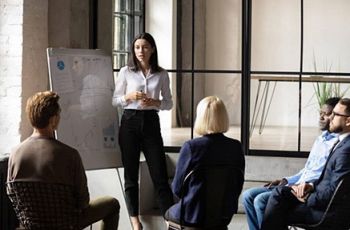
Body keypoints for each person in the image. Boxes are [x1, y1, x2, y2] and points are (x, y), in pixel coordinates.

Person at [7, 91, 120, 229]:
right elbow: (83, 202)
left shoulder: (15, 154)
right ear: (53, 120)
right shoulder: (70, 155)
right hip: (66, 224)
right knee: (112, 204)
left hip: (31, 225)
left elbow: (13, 196)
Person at [242, 97, 340, 230]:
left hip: (305, 190)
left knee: (260, 201)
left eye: (326, 114)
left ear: (335, 117)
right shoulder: (320, 140)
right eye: (320, 113)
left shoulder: (336, 145)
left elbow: (323, 178)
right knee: (247, 196)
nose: (321, 117)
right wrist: (286, 179)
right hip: (294, 184)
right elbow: (306, 170)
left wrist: (303, 186)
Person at [112, 32, 174, 230]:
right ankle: (135, 220)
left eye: (145, 47)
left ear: (152, 49)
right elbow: (114, 100)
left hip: (151, 122)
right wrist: (128, 97)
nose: (141, 51)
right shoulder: (125, 72)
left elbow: (169, 103)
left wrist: (155, 102)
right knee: (130, 176)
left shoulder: (162, 74)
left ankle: (169, 220)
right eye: (137, 47)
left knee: (159, 174)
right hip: (129, 122)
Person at [164, 96, 245, 227]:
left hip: (192, 215)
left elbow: (177, 189)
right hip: (223, 216)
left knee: (168, 213)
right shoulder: (236, 147)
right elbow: (238, 185)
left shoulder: (191, 147)